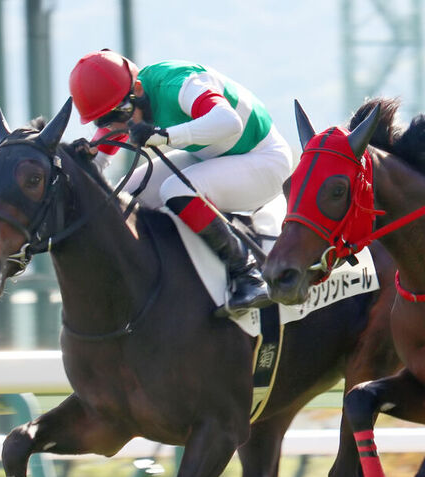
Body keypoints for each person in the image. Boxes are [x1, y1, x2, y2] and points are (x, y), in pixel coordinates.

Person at [68, 50, 293, 315]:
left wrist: (163, 136)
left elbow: (228, 122)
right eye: (105, 120)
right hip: (208, 155)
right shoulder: (125, 103)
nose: (119, 125)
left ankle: (247, 273)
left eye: (122, 112)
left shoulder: (180, 84)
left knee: (174, 190)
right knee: (125, 198)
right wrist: (81, 161)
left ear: (137, 89)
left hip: (263, 159)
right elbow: (96, 165)